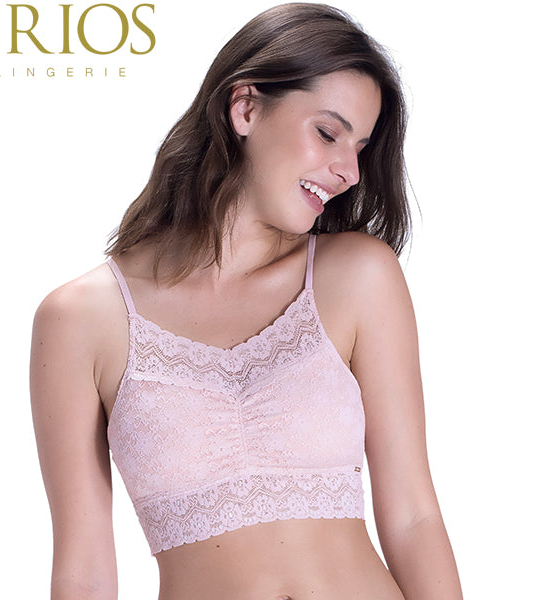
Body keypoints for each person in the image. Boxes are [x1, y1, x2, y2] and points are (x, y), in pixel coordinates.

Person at [30, 3, 463, 599]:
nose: (349, 171)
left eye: (360, 148)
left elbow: (413, 515)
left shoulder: (359, 277)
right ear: (246, 107)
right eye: (328, 133)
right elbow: (84, 571)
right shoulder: (80, 320)